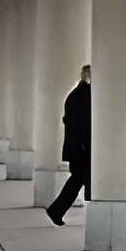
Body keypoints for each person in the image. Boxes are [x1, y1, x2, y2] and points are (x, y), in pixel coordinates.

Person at [46, 64, 93, 223]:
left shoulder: (77, 94)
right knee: (79, 180)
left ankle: (56, 211)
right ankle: (56, 211)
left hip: (78, 148)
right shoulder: (83, 96)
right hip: (82, 149)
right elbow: (82, 125)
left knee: (78, 181)